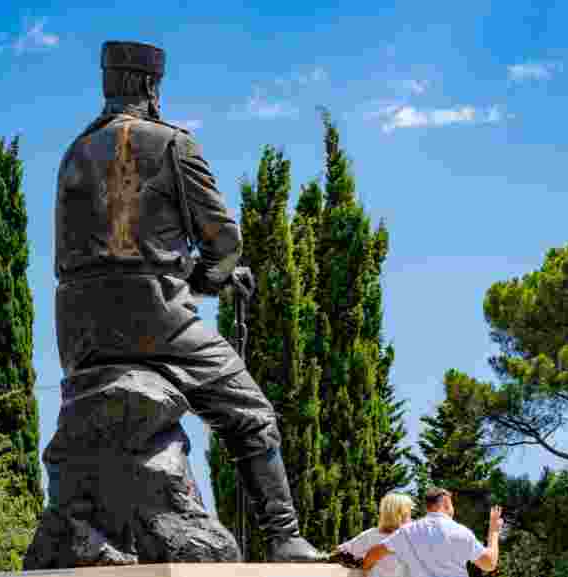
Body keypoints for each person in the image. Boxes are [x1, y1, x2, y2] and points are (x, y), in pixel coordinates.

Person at [47, 40, 326, 563]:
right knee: (251, 415)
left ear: (110, 84)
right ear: (151, 87)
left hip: (80, 329)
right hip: (157, 318)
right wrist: (212, 279)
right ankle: (284, 535)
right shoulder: (173, 144)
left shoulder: (73, 153)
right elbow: (224, 241)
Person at [363, 487, 502, 576]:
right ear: (446, 502)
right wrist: (494, 531)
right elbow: (489, 564)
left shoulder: (407, 531)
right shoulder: (461, 532)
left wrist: (365, 571)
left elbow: (373, 554)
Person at [336, 493, 414, 577]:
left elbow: (341, 552)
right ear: (401, 514)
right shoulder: (411, 537)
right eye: (409, 512)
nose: (410, 516)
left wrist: (364, 564)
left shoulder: (371, 534)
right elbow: (341, 553)